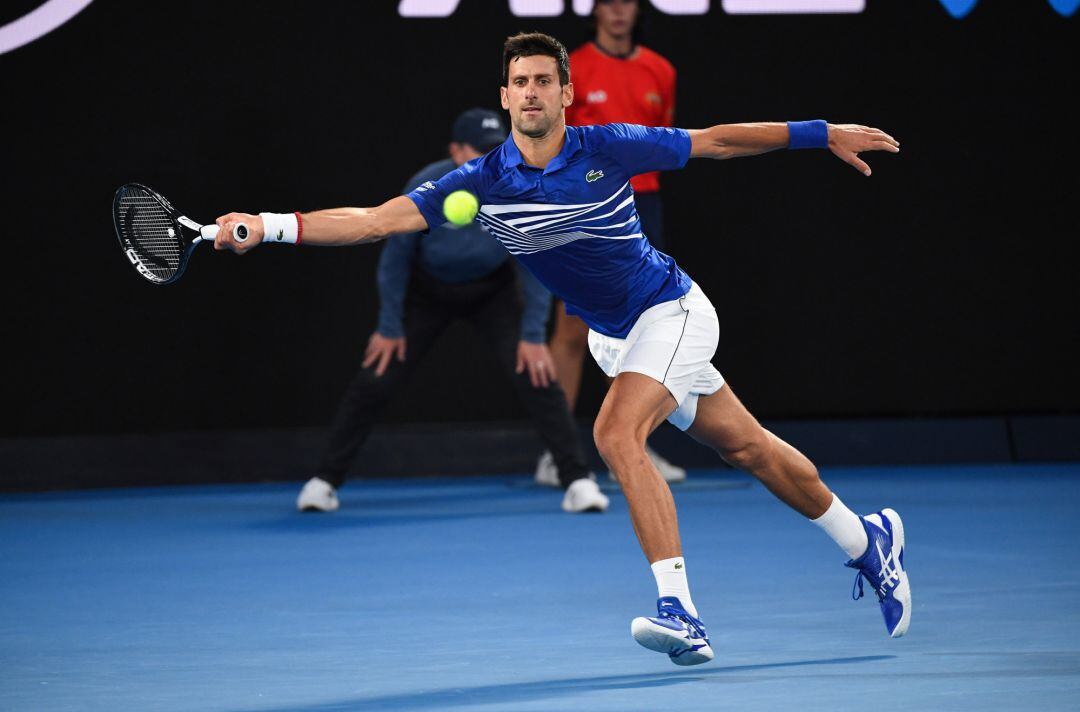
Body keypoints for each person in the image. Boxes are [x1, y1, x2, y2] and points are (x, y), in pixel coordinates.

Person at [212, 32, 908, 664]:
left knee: (614, 433)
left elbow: (716, 141)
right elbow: (371, 221)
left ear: (566, 93)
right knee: (748, 448)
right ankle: (865, 540)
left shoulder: (607, 146)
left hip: (671, 312)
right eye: (521, 82)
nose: (533, 92)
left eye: (546, 80)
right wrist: (270, 225)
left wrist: (822, 133)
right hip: (615, 339)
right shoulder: (481, 183)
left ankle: (683, 613)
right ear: (506, 95)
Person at [295, 107, 609, 516]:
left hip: (492, 292)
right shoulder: (426, 185)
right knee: (376, 378)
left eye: (496, 148)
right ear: (456, 151)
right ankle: (324, 481)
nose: (490, 157)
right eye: (478, 150)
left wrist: (533, 335)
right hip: (428, 292)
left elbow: (534, 262)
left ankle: (578, 480)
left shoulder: (517, 182)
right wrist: (389, 326)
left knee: (537, 372)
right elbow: (394, 261)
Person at [539, 0, 685, 485]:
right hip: (585, 206)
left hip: (643, 205)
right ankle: (557, 452)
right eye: (610, 3)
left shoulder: (660, 70)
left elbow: (662, 142)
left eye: (627, 3)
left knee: (641, 330)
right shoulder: (573, 68)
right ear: (597, 11)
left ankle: (636, 445)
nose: (619, 12)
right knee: (571, 327)